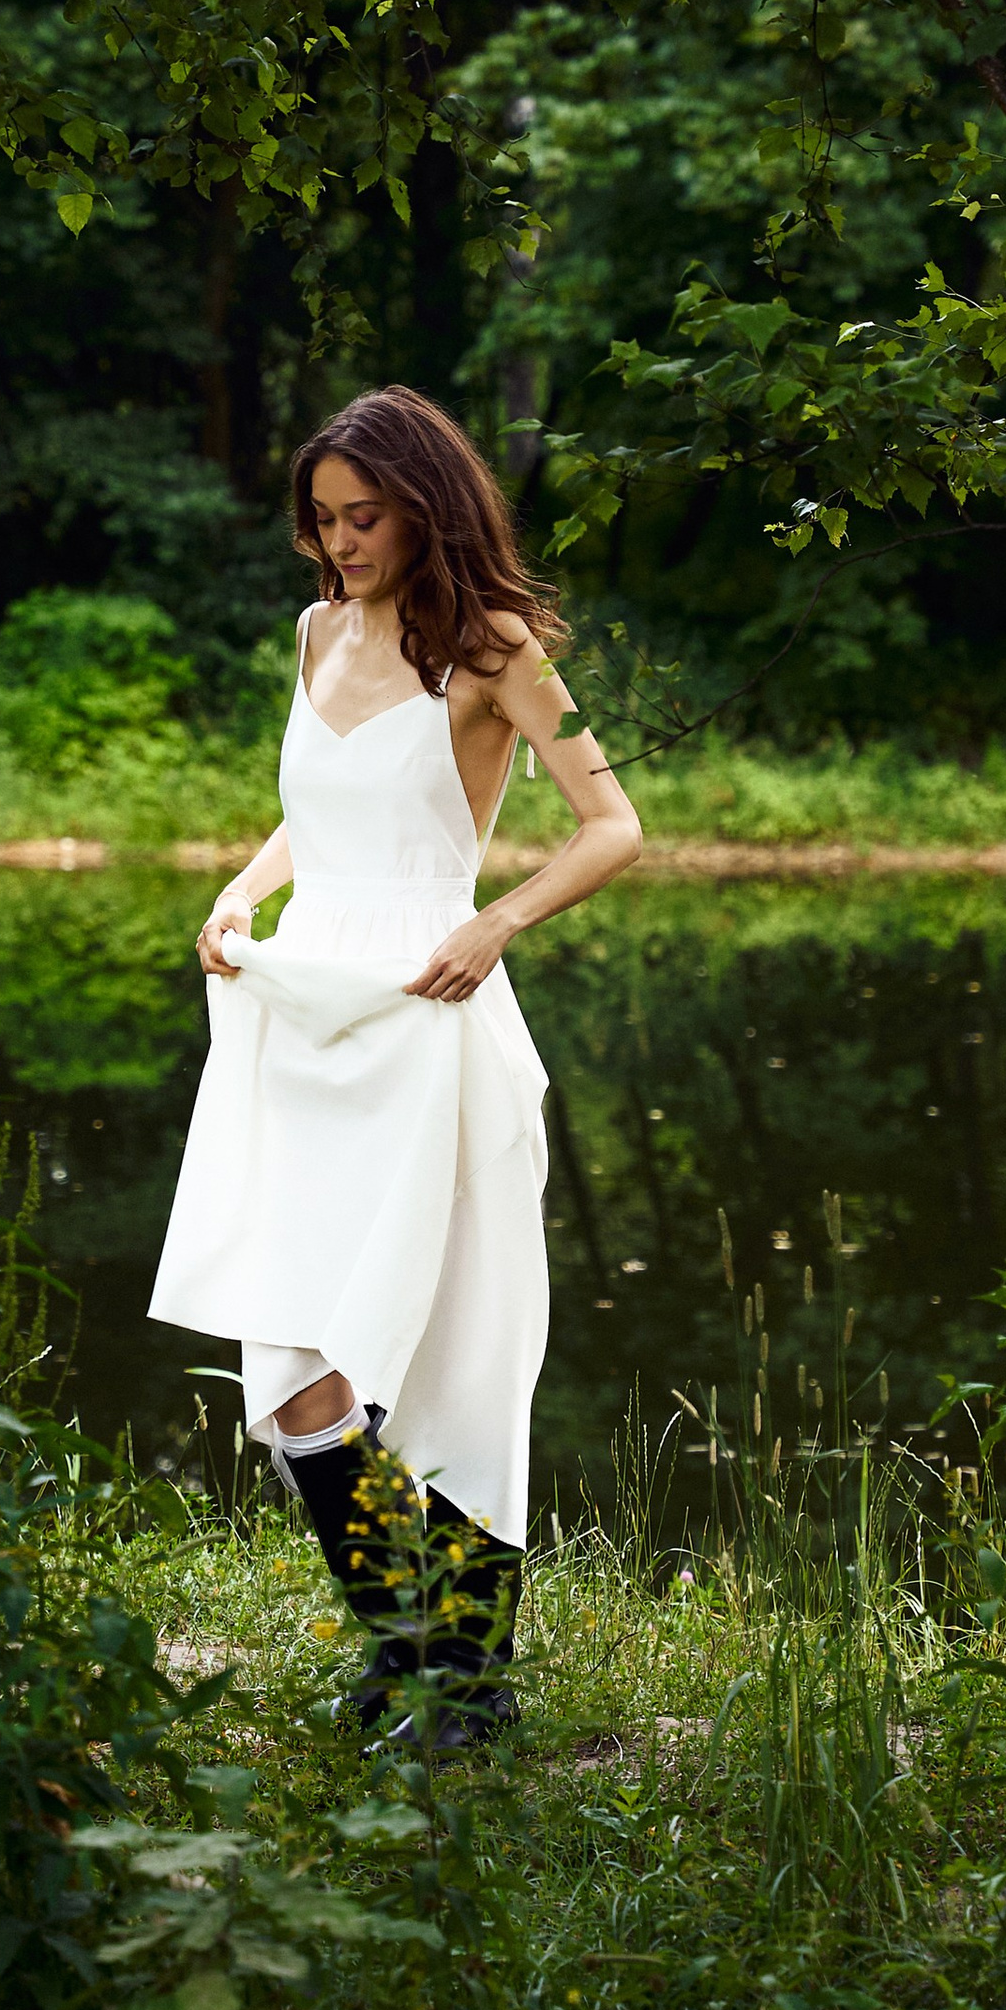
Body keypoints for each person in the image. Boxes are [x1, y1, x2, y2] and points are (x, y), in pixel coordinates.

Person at [149, 386, 641, 1752]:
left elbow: (615, 827)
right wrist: (237, 897)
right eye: (321, 522)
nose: (341, 543)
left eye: (365, 517)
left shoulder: (497, 649)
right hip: (302, 1014)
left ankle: (467, 1687)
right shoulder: (315, 633)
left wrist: (496, 923)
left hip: (432, 1014)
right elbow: (315, 813)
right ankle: (401, 1642)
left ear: (427, 504)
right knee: (293, 1358)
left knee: (456, 1355)